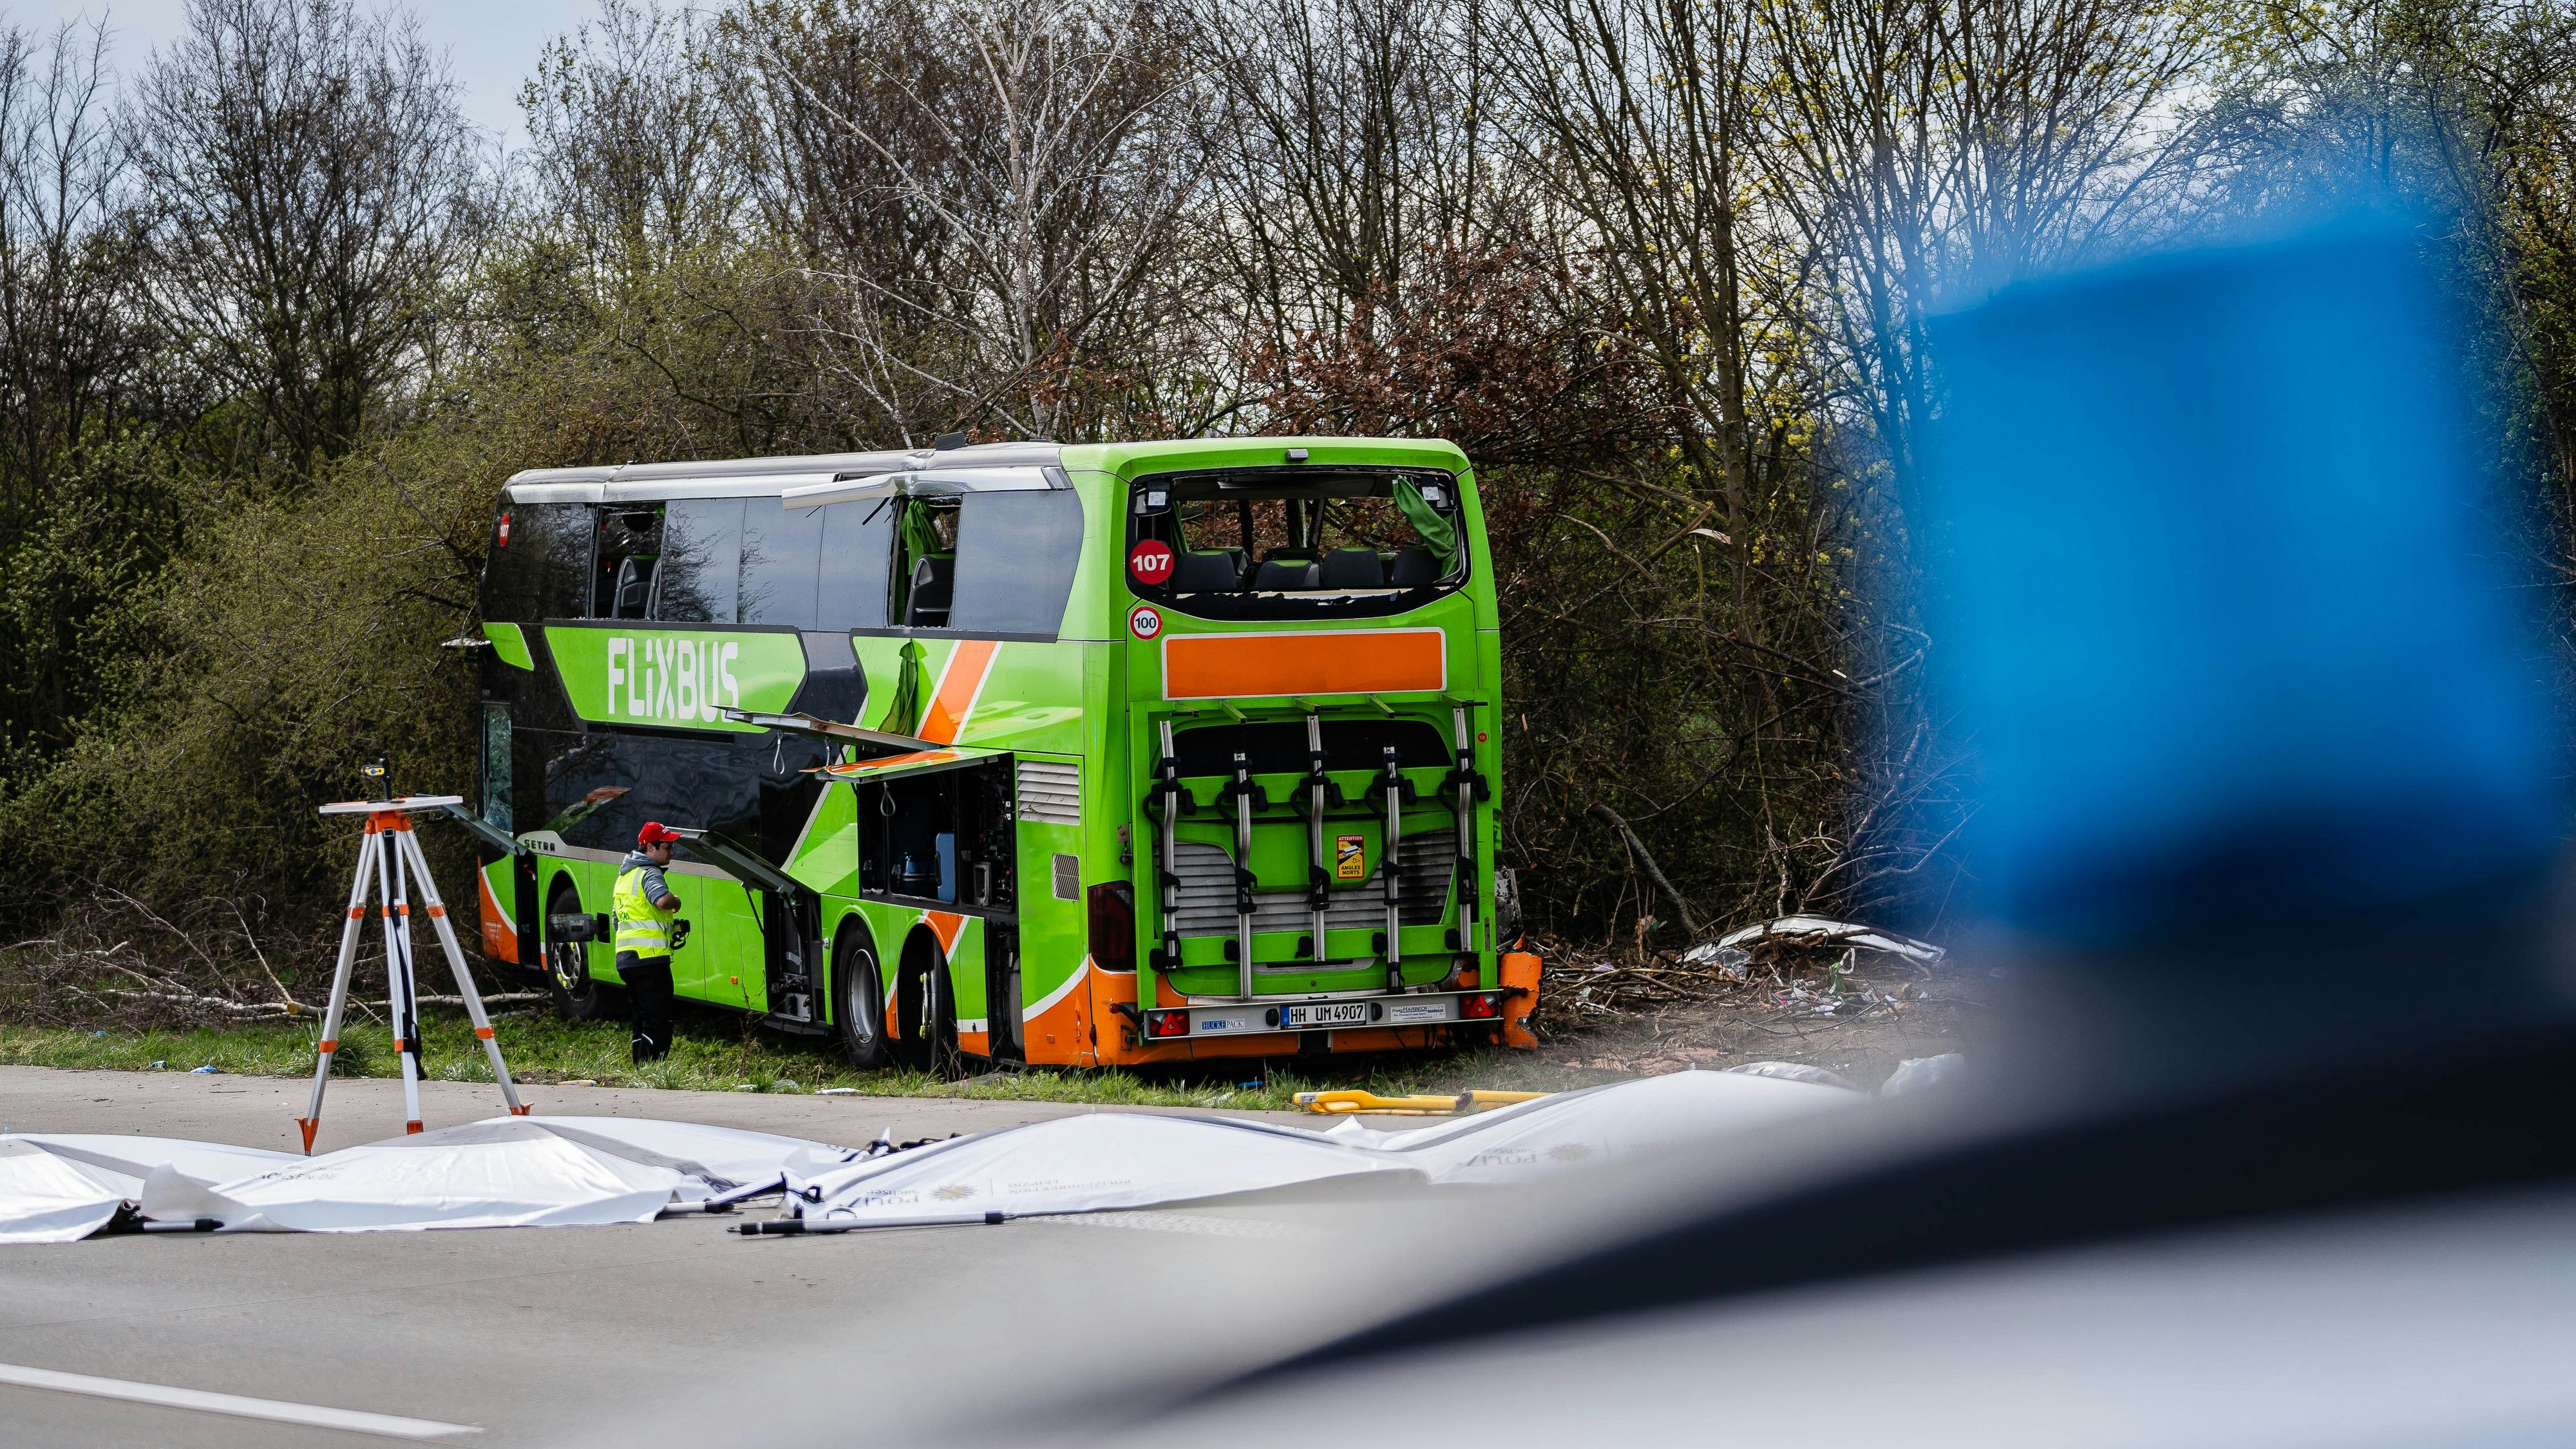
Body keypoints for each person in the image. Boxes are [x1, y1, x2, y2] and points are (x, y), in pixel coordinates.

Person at [614, 822, 685, 1063]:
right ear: (650, 848)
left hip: (627, 959)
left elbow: (617, 920)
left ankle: (640, 1068)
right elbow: (662, 901)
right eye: (667, 847)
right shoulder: (649, 871)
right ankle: (653, 1071)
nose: (672, 852)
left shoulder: (624, 876)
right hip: (650, 959)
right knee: (659, 1019)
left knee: (640, 1018)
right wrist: (677, 901)